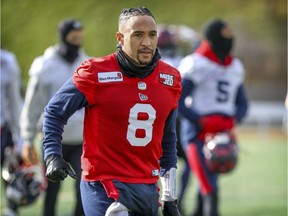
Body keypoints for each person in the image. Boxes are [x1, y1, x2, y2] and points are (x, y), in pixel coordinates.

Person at [41, 7, 182, 216]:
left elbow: (168, 140)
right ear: (120, 37)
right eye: (138, 35)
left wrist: (169, 195)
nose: (147, 43)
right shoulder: (95, 73)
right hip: (103, 184)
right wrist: (52, 154)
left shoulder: (170, 79)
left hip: (147, 185)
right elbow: (54, 111)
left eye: (152, 35)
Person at [177, 18, 249, 216]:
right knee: (209, 186)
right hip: (197, 133)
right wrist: (200, 120)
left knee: (209, 183)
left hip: (222, 133)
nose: (229, 40)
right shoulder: (196, 63)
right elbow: (178, 101)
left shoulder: (235, 66)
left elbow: (243, 103)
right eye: (225, 35)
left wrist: (232, 120)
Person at [20, 19, 89, 216]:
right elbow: (32, 106)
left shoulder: (87, 65)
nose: (76, 42)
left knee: (83, 187)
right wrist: (26, 139)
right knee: (52, 189)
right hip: (53, 140)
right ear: (63, 38)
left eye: (79, 38)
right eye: (72, 38)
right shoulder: (45, 66)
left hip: (81, 140)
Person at [157, 26, 190, 214]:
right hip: (176, 120)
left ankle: (164, 198)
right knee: (183, 163)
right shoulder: (182, 62)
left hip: (162, 119)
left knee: (158, 164)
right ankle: (177, 200)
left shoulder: (155, 62)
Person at [1, 48, 24, 216]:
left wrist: (21, 136)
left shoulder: (7, 62)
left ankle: (11, 210)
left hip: (3, 128)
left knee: (10, 176)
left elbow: (15, 102)